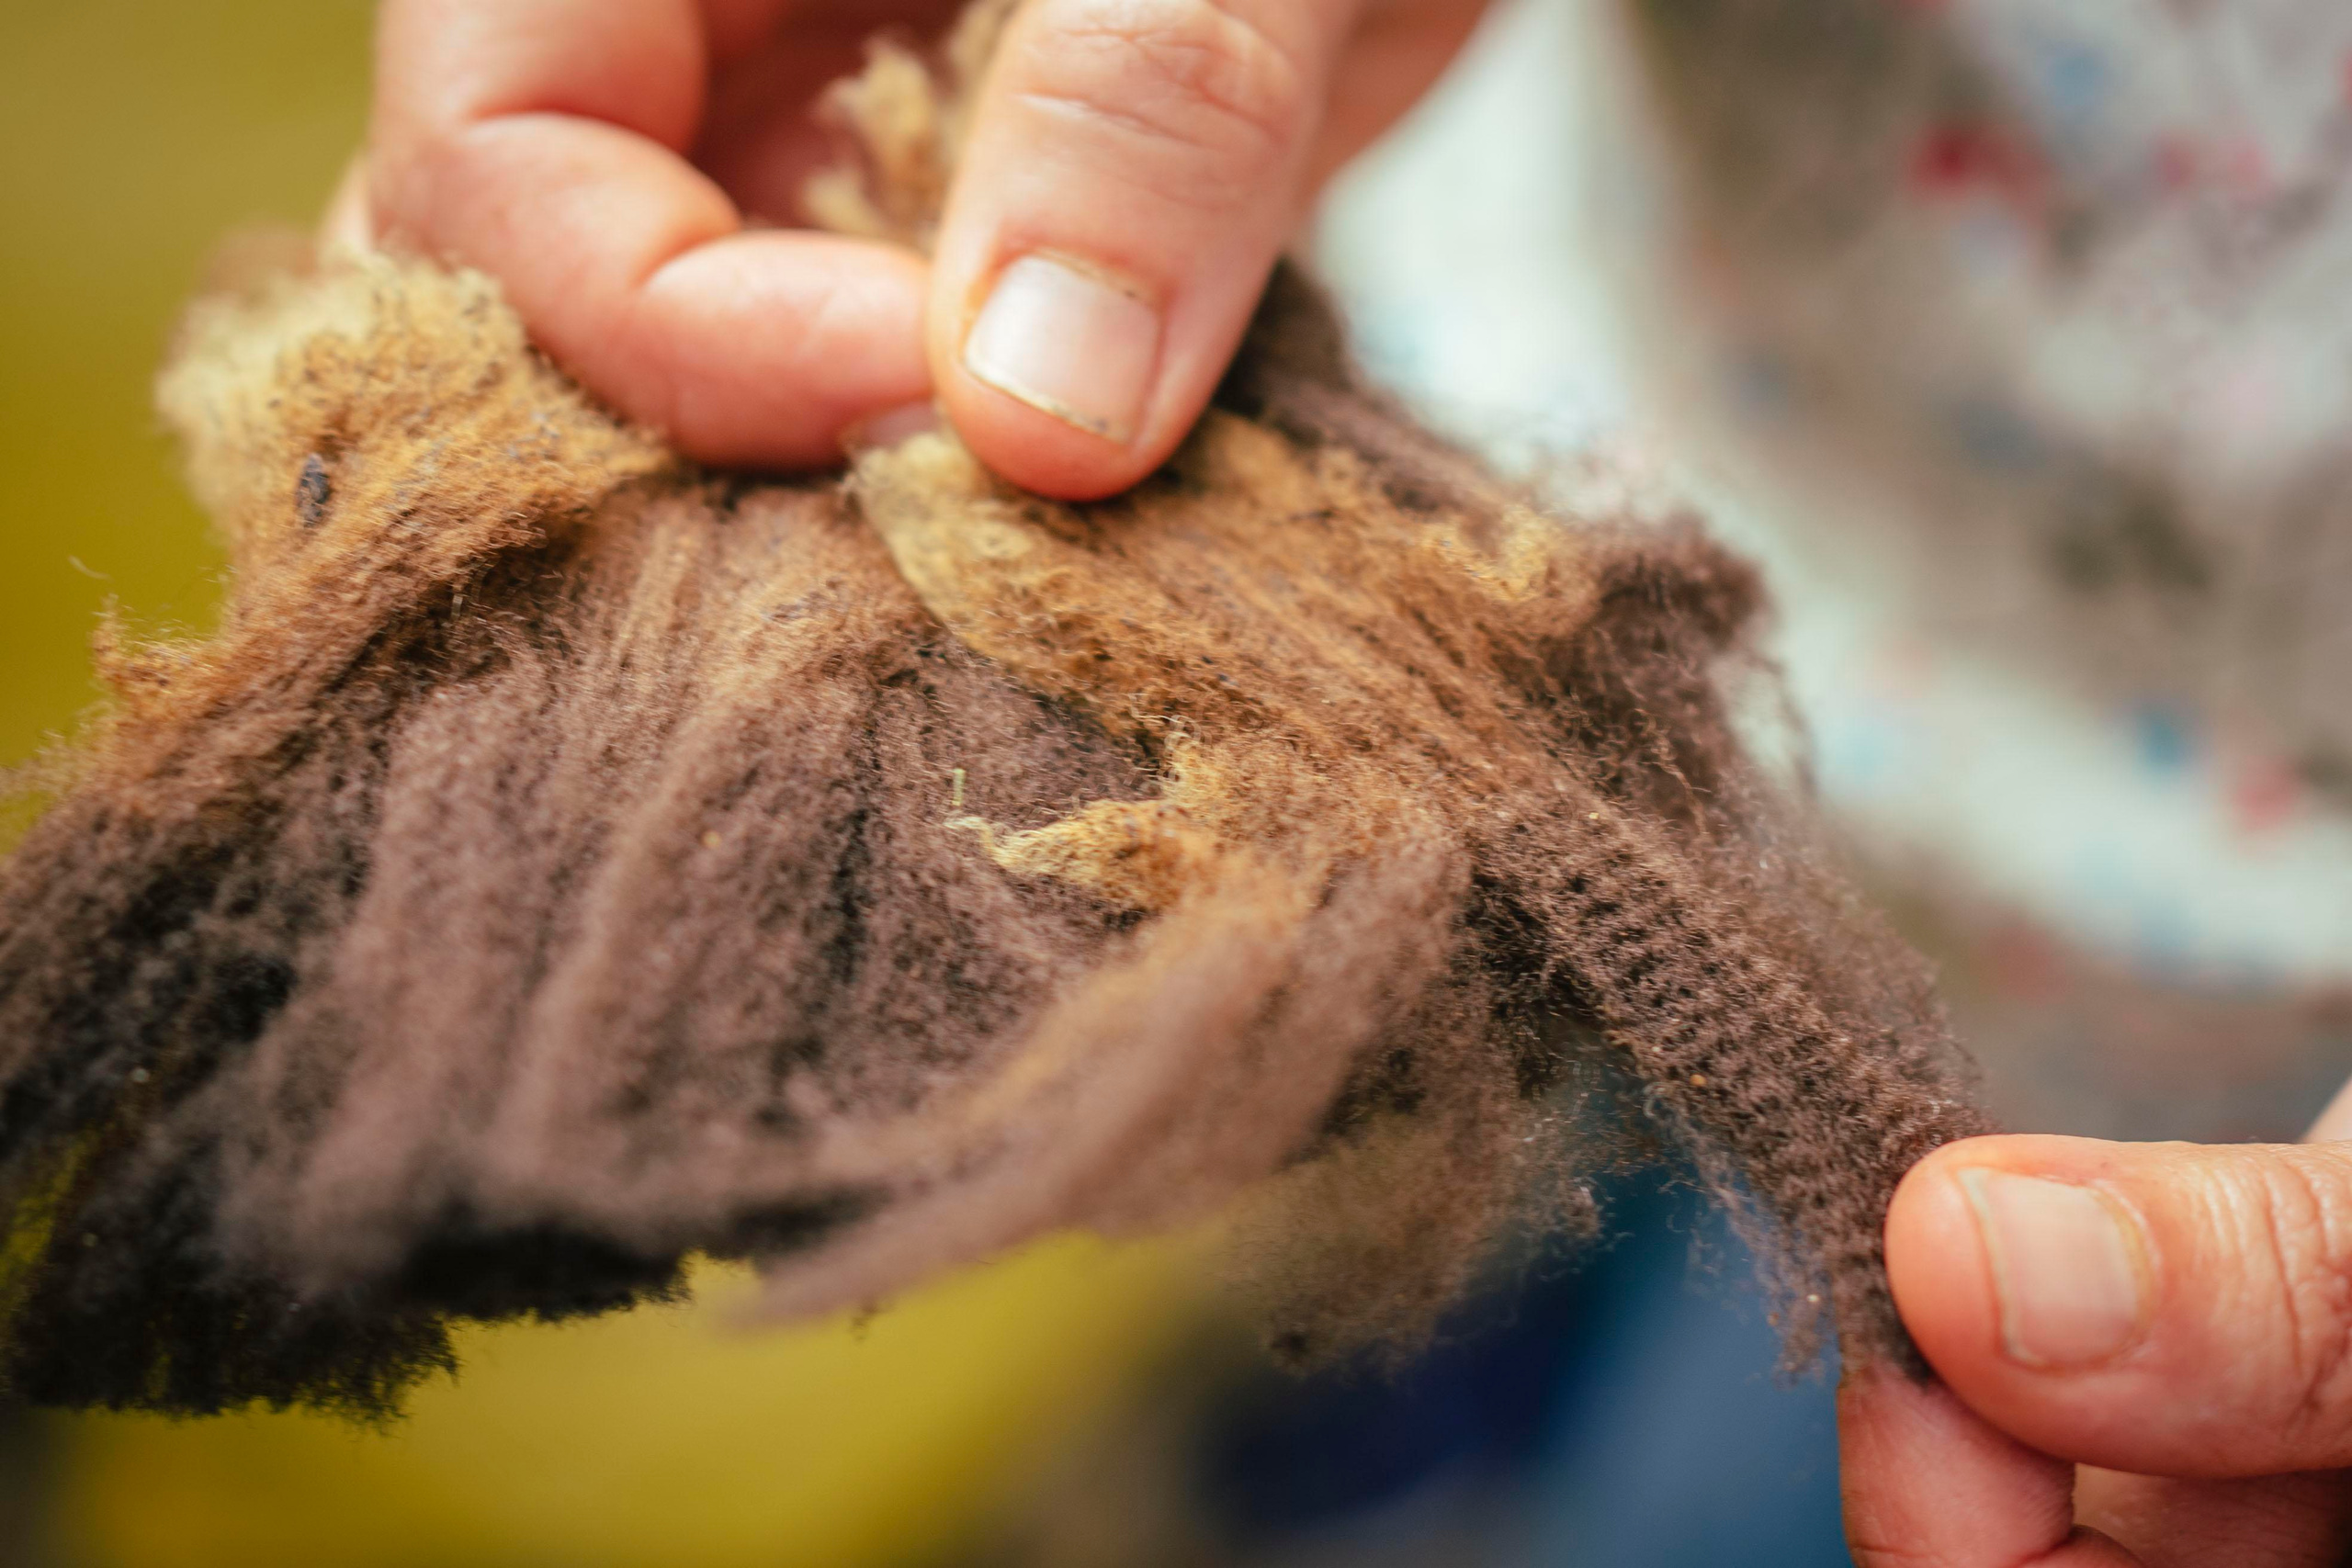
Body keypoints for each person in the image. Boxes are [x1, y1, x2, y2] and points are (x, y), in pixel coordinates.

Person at [350, 3, 2352, 1561]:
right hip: (1590, 460)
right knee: (1479, 1117)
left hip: (2220, 1042)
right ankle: (1403, 1408)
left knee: (1750, 1475)